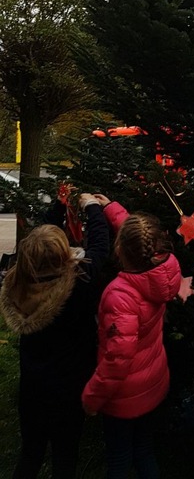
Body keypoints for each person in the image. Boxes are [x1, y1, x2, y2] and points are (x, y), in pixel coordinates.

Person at [0, 193, 109, 479]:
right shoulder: (79, 284)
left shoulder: (20, 282)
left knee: (30, 453)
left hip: (33, 389)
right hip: (70, 392)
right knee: (65, 456)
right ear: (64, 255)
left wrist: (59, 206)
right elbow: (99, 247)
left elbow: (38, 245)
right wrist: (94, 208)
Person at [81, 197, 182, 479]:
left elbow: (116, 360)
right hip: (152, 382)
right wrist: (110, 206)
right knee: (144, 450)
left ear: (121, 249)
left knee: (119, 457)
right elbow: (141, 237)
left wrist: (92, 397)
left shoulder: (120, 295)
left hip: (123, 398)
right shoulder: (165, 270)